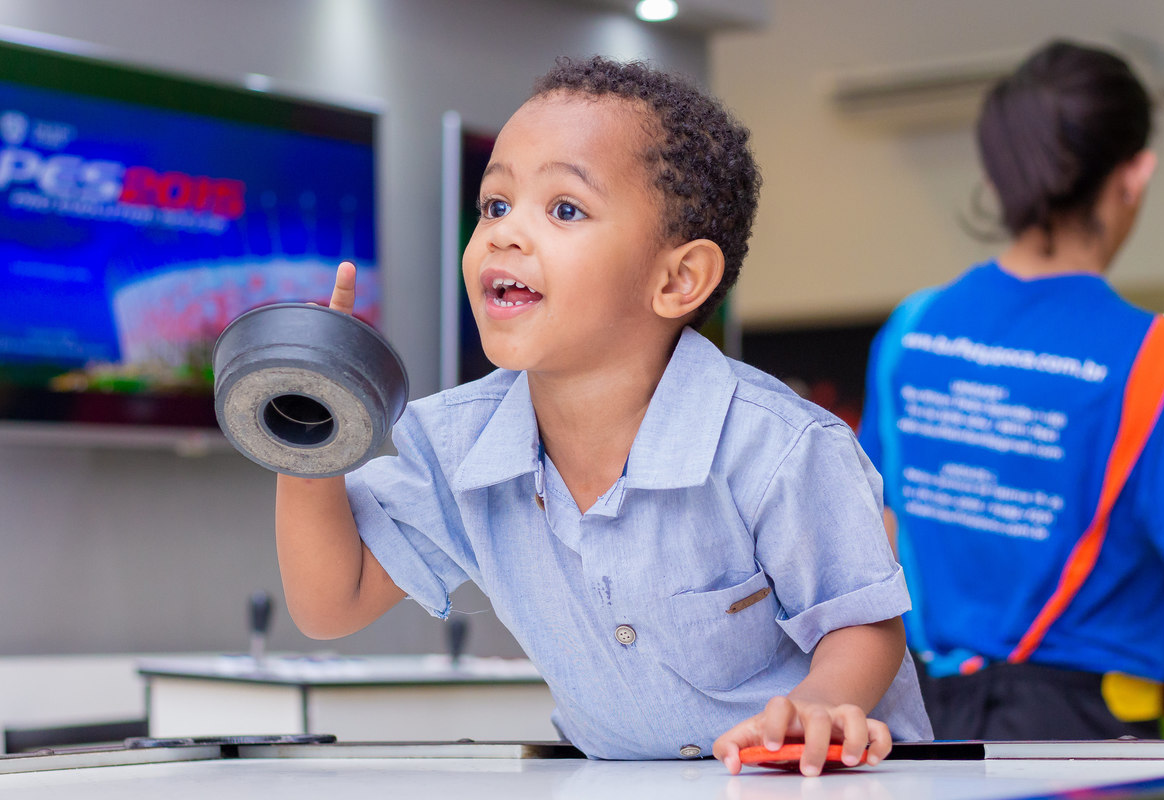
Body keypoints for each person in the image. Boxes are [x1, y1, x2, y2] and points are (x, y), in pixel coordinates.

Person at [276, 56, 932, 775]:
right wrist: (310, 420)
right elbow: (331, 602)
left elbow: (861, 621)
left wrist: (820, 705)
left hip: (821, 784)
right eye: (495, 205)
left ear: (678, 278)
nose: (503, 233)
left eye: (564, 209)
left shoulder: (776, 445)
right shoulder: (459, 445)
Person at [858, 40, 1164, 740]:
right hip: (1096, 749)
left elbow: (874, 550)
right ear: (1134, 175)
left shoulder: (910, 333)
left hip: (923, 737)